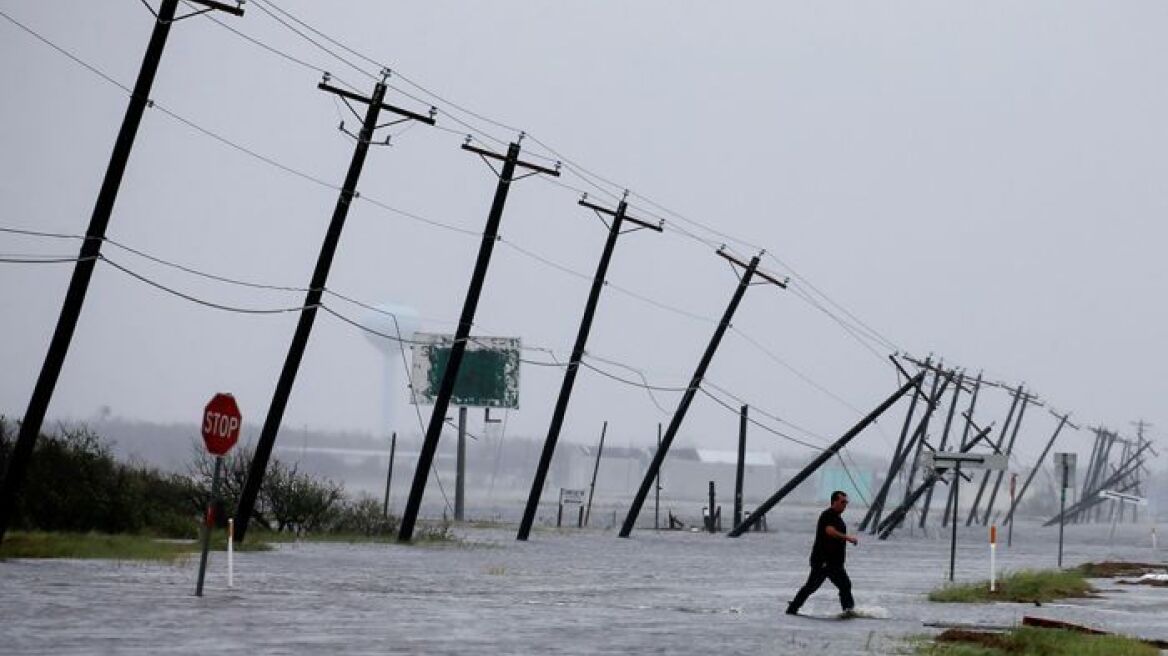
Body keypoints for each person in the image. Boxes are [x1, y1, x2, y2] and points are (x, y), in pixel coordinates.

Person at [786, 490, 858, 616]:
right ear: (834, 502)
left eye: (846, 502)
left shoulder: (837, 518)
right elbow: (829, 531)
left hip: (834, 562)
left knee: (842, 585)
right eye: (842, 502)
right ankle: (848, 611)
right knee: (815, 587)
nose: (845, 505)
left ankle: (793, 608)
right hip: (824, 561)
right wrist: (848, 538)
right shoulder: (828, 515)